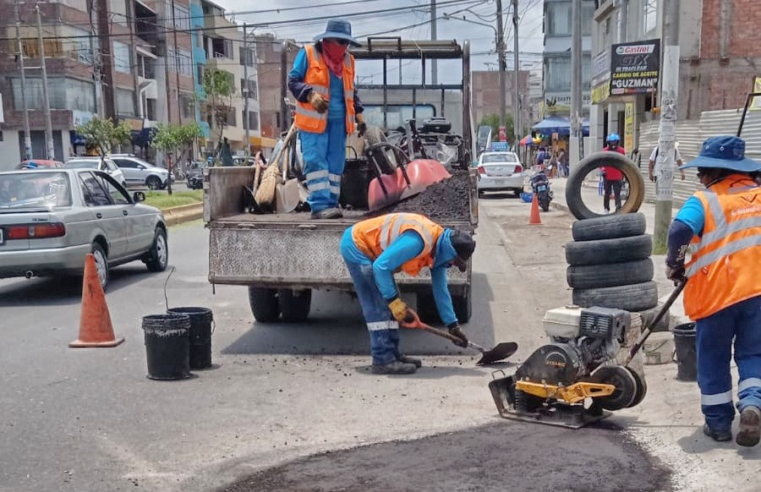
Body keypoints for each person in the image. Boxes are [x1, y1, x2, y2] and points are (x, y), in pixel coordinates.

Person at [665, 135, 761, 447]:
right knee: (753, 354)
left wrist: (675, 264)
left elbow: (679, 230)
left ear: (712, 172)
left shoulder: (704, 200)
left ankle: (719, 425)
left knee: (714, 357)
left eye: (701, 172)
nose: (700, 178)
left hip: (718, 295)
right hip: (758, 295)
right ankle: (751, 405)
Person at [340, 213, 475, 374]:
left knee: (392, 302)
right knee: (380, 305)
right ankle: (382, 360)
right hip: (357, 246)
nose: (453, 265)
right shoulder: (419, 241)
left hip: (373, 254)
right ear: (450, 251)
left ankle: (393, 354)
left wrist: (453, 326)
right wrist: (393, 301)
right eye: (455, 261)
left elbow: (441, 290)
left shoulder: (439, 251)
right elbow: (380, 267)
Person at [288, 19, 367, 219]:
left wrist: (359, 114)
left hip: (339, 123)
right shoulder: (308, 54)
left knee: (335, 165)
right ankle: (319, 206)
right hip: (314, 122)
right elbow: (293, 81)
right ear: (326, 39)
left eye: (345, 43)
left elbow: (350, 90)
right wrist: (310, 95)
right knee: (316, 162)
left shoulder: (348, 61)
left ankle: (331, 203)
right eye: (338, 41)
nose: (342, 47)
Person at [601, 133, 625, 213]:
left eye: (615, 142)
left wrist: (624, 173)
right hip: (607, 175)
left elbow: (624, 163)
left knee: (617, 193)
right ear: (608, 143)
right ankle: (606, 208)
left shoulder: (621, 151)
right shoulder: (604, 151)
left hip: (617, 175)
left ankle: (618, 208)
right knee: (607, 193)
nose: (613, 144)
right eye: (611, 142)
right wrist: (603, 169)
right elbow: (600, 162)